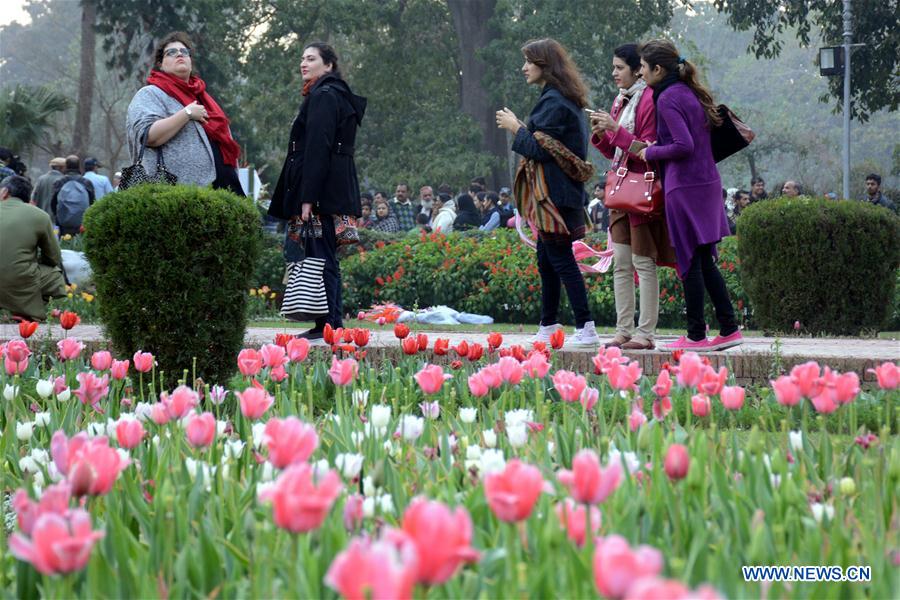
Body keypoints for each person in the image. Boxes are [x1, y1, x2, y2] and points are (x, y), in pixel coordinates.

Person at [638, 39, 741, 351]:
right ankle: (729, 327)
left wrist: (651, 151)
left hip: (684, 187)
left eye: (643, 67)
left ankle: (696, 335)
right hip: (706, 183)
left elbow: (684, 145)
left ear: (658, 69)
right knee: (704, 261)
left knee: (690, 263)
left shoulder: (667, 98)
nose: (641, 73)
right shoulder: (686, 92)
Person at [496, 37, 599, 347]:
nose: (524, 67)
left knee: (560, 258)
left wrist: (516, 127)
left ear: (545, 65)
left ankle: (586, 327)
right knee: (546, 258)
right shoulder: (559, 98)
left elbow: (540, 152)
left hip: (553, 195)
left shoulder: (555, 102)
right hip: (557, 194)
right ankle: (548, 324)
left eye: (529, 61)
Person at [268, 42, 366, 340]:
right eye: (302, 58)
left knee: (320, 255)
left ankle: (330, 325)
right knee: (323, 255)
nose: (303, 63)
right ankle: (328, 322)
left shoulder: (323, 95)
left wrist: (307, 197)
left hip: (321, 193)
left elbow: (318, 149)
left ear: (328, 65)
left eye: (311, 59)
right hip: (331, 188)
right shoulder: (331, 93)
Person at [590, 43, 677, 350]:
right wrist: (602, 134)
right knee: (621, 264)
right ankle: (623, 330)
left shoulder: (649, 99)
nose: (614, 73)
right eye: (613, 68)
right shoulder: (621, 100)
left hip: (641, 190)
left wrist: (616, 131)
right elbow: (615, 150)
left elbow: (647, 150)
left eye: (619, 68)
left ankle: (645, 333)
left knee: (643, 262)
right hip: (619, 189)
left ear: (637, 69)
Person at [126, 31, 244, 195]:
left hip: (224, 191)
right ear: (160, 64)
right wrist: (186, 113)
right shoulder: (150, 94)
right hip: (175, 197)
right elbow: (149, 136)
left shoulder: (205, 98)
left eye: (184, 52)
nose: (179, 55)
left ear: (190, 60)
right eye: (171, 52)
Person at [0, 175, 67, 321]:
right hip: (19, 279)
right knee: (54, 275)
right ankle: (25, 312)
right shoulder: (39, 215)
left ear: (4, 192)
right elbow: (54, 257)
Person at [51, 155, 95, 236]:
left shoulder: (59, 182)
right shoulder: (86, 182)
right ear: (79, 166)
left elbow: (53, 203)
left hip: (63, 224)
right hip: (82, 223)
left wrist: (57, 216)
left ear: (66, 166)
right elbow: (92, 203)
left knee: (63, 244)